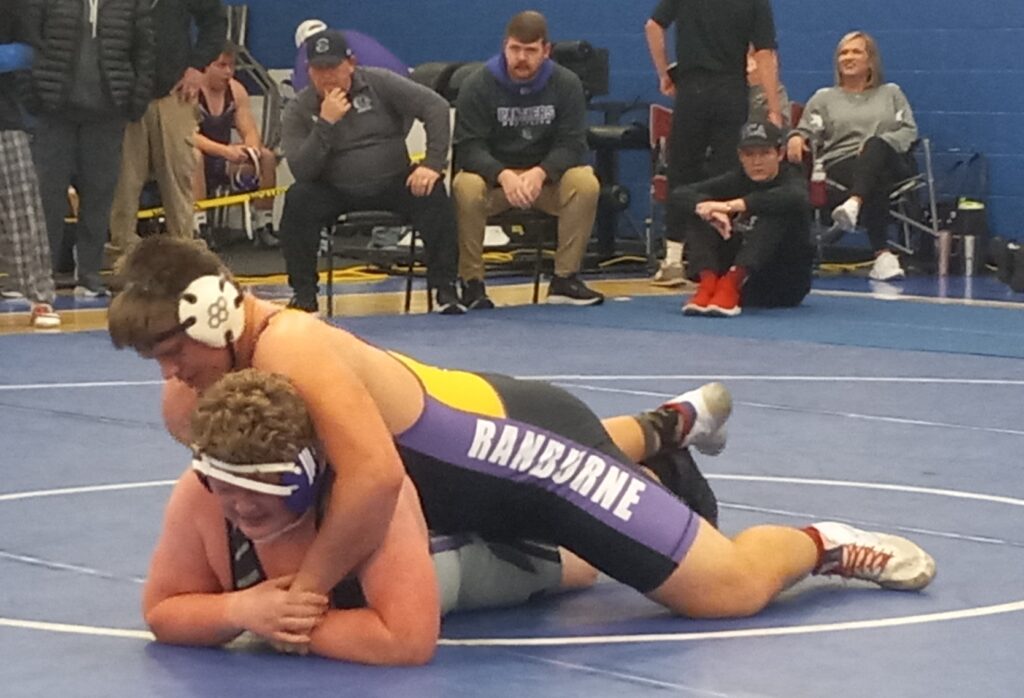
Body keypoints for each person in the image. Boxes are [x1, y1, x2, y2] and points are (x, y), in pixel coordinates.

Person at [108, 235, 936, 650]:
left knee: (720, 591)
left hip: (534, 460)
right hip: (474, 458)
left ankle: (822, 543)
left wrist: (307, 596)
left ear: (216, 315)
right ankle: (658, 437)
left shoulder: (292, 347)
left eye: (176, 353)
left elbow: (373, 484)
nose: (173, 376)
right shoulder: (205, 385)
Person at [144, 368, 598, 664]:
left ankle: (648, 464)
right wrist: (240, 608)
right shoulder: (199, 494)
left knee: (580, 563)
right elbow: (162, 610)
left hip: (463, 517)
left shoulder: (366, 496)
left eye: (264, 492)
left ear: (306, 473)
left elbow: (407, 640)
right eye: (225, 489)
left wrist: (287, 624)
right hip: (370, 581)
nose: (241, 506)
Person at [279, 29, 463, 314]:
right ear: (308, 70)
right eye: (319, 69)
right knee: (299, 199)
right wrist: (325, 124)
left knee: (433, 192)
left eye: (333, 67)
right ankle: (304, 295)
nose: (327, 76)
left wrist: (432, 164)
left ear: (350, 63)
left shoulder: (379, 82)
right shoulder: (298, 109)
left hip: (393, 180)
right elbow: (302, 170)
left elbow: (435, 106)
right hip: (334, 188)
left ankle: (445, 288)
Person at [451, 10, 603, 309]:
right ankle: (472, 282)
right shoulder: (478, 84)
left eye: (530, 50)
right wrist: (503, 174)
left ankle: (564, 278)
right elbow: (468, 147)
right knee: (464, 185)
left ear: (547, 50)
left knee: (585, 182)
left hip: (544, 185)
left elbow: (572, 144)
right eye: (514, 49)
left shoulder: (567, 83)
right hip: (495, 185)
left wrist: (540, 173)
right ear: (504, 46)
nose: (521, 58)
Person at [644, 0, 782, 286]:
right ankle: (716, 259)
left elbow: (653, 26)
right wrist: (773, 107)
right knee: (726, 174)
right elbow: (765, 52)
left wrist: (664, 73)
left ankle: (672, 257)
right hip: (731, 89)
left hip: (692, 88)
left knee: (681, 170)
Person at [24, 0, 154, 298]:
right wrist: (33, 98)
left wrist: (134, 102)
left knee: (99, 196)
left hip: (107, 113)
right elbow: (28, 42)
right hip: (54, 111)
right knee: (48, 197)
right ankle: (41, 274)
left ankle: (90, 273)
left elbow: (145, 53)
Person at [786, 31, 918, 282]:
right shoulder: (824, 98)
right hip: (842, 166)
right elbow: (806, 129)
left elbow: (909, 130)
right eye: (843, 53)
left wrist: (875, 145)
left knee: (876, 147)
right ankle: (882, 255)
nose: (848, 57)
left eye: (856, 52)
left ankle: (854, 204)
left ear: (871, 61)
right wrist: (795, 136)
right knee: (873, 175)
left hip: (889, 158)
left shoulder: (891, 93)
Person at [107, 0, 226, 264]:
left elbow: (216, 21)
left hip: (175, 92)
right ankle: (122, 256)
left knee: (178, 176)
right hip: (125, 95)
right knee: (124, 182)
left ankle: (185, 255)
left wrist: (198, 66)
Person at [675, 120, 812, 317]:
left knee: (776, 210)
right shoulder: (737, 178)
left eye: (765, 153)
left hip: (782, 284)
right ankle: (708, 283)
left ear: (779, 154)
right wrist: (709, 209)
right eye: (749, 155)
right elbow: (680, 194)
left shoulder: (792, 178)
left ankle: (733, 281)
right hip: (734, 283)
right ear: (740, 156)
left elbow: (796, 197)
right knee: (703, 210)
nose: (757, 162)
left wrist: (731, 206)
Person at [0, 0, 59, 328]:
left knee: (23, 214)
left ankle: (39, 298)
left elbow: (31, 51)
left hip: (5, 119)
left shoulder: (13, 5)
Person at [192, 42, 276, 224]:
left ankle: (264, 223)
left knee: (267, 157)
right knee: (194, 156)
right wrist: (225, 151)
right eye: (222, 65)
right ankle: (199, 225)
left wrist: (251, 151)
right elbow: (188, 136)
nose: (228, 72)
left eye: (232, 66)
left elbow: (250, 130)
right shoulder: (191, 91)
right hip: (193, 158)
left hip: (221, 158)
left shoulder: (236, 90)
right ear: (205, 66)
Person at [291, 19, 410, 93]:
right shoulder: (354, 35)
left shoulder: (307, 49)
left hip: (382, 95)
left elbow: (302, 87)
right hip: (406, 83)